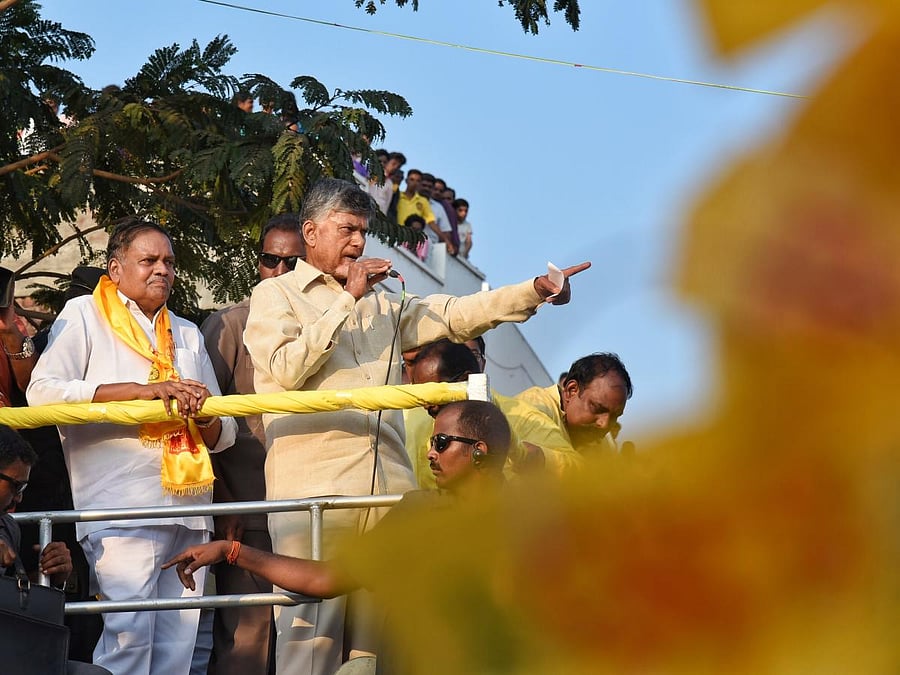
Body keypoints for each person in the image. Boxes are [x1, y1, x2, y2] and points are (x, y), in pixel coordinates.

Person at [242, 177, 589, 675]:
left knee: (384, 639)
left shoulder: (384, 302)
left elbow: (455, 314)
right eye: (347, 230)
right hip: (315, 492)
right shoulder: (275, 294)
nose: (358, 243)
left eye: (363, 231)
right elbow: (286, 369)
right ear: (311, 232)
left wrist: (533, 290)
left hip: (390, 493)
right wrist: (347, 298)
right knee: (310, 642)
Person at [26, 221, 238, 675]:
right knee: (128, 643)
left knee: (178, 652)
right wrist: (140, 393)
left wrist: (205, 415)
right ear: (116, 268)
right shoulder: (84, 313)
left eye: (169, 262)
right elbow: (42, 393)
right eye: (149, 261)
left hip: (190, 509)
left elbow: (227, 433)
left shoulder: (186, 331)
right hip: (121, 507)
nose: (162, 270)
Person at [163, 399, 510, 597]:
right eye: (432, 443)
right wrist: (231, 551)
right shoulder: (419, 510)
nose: (430, 453)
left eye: (442, 443)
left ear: (479, 451)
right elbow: (326, 579)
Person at [199, 214, 305, 675]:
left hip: (312, 507)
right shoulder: (228, 325)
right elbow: (198, 426)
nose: (279, 272)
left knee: (308, 641)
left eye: (292, 262)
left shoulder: (333, 322)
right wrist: (224, 502)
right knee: (247, 644)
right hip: (247, 511)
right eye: (269, 259)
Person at [0, 425, 113, 675]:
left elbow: (14, 599)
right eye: (16, 486)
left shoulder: (8, 527)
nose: (19, 498)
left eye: (23, 489)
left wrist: (55, 576)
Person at [405, 339, 581, 488]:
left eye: (435, 395)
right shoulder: (416, 422)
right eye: (422, 396)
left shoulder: (522, 419)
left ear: (465, 380)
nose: (427, 406)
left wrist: (534, 458)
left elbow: (580, 474)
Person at [517, 352, 632, 455]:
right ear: (571, 390)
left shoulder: (603, 443)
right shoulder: (533, 407)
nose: (604, 424)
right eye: (596, 408)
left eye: (614, 417)